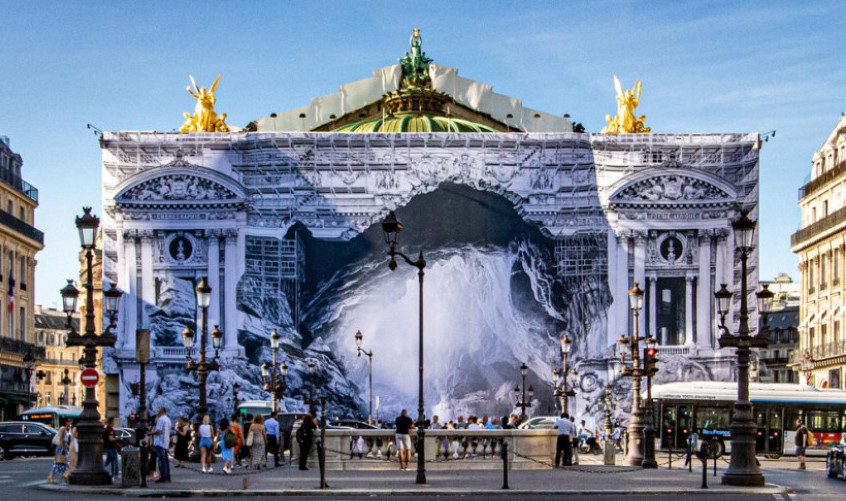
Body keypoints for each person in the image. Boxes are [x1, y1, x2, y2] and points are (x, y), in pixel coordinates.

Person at [150, 407, 172, 482]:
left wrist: (150, 433)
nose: (157, 413)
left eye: (158, 411)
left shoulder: (160, 420)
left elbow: (159, 431)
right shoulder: (168, 419)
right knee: (165, 460)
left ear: (161, 412)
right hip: (165, 441)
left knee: (161, 460)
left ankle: (163, 476)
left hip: (159, 442)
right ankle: (167, 475)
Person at [47, 418, 71, 484]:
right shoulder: (63, 429)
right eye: (69, 422)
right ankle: (52, 477)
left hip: (63, 447)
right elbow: (61, 439)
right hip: (61, 448)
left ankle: (65, 476)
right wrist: (62, 448)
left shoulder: (66, 429)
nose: (70, 423)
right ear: (66, 422)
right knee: (60, 462)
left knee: (64, 463)